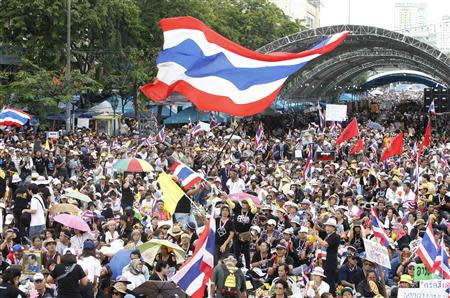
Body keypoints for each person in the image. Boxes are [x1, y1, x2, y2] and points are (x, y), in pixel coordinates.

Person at [314, 218, 340, 295]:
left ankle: (331, 295)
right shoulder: (328, 235)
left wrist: (315, 236)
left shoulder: (335, 236)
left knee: (329, 280)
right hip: (326, 260)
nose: (327, 228)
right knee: (326, 278)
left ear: (334, 228)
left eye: (330, 226)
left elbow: (325, 244)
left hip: (331, 261)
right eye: (326, 226)